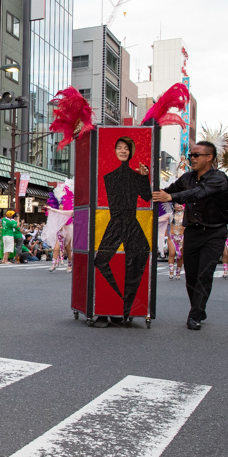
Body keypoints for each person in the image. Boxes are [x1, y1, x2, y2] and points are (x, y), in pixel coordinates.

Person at [153, 141, 228, 330]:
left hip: (214, 232)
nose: (192, 159)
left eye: (196, 155)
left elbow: (199, 193)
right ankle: (198, 307)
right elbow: (167, 192)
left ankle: (195, 314)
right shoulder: (186, 178)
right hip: (193, 231)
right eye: (190, 155)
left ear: (209, 157)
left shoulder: (219, 178)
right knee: (191, 276)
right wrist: (147, 178)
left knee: (205, 274)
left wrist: (172, 198)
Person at [93, 137, 152, 324]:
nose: (123, 151)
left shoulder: (136, 176)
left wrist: (144, 177)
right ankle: (112, 305)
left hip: (131, 222)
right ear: (114, 151)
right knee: (101, 260)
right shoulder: (107, 176)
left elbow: (146, 197)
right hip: (116, 222)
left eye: (126, 148)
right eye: (119, 147)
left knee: (140, 255)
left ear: (131, 151)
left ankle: (125, 310)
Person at [166, 204, 185, 280]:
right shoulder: (170, 215)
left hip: (182, 238)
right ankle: (171, 271)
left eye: (181, 204)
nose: (180, 206)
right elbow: (160, 219)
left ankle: (178, 271)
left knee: (181, 255)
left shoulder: (186, 215)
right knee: (172, 253)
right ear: (174, 206)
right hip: (172, 237)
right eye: (178, 204)